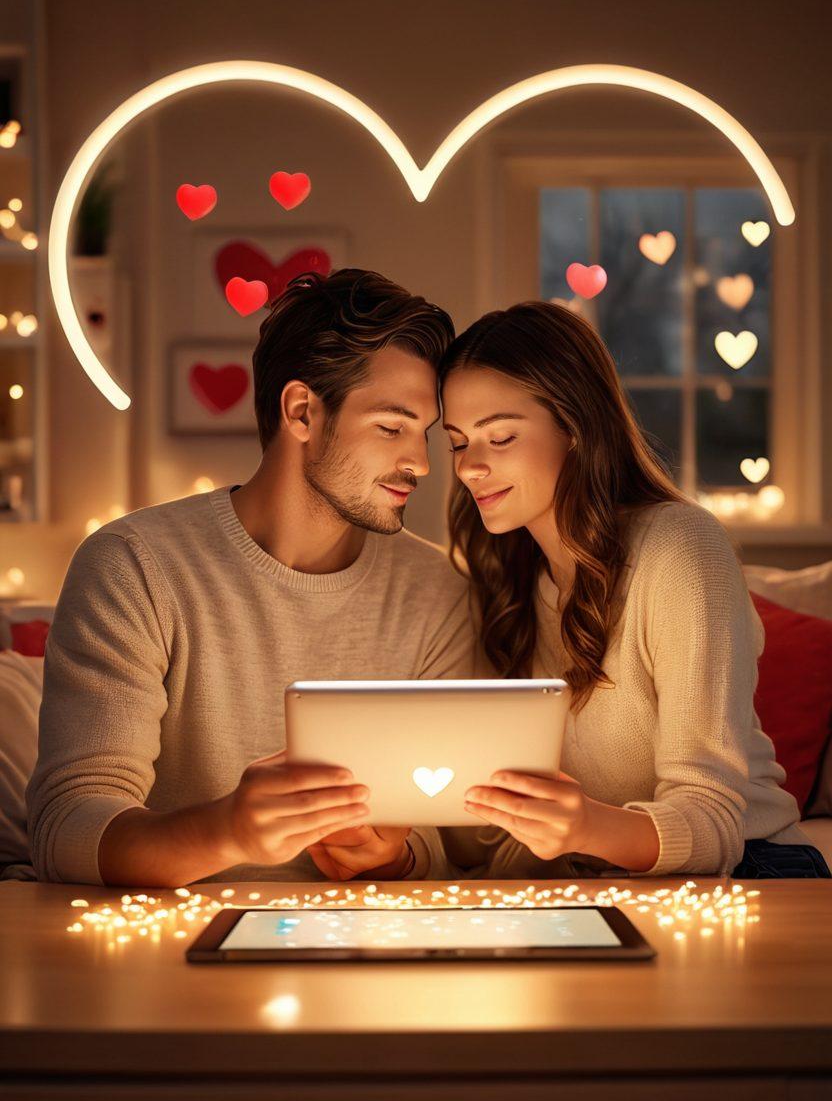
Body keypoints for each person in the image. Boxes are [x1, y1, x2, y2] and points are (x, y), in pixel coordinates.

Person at [27, 268, 482, 888]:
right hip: (163, 957)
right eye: (390, 427)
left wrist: (394, 858)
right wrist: (228, 832)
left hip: (366, 952)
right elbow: (67, 827)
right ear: (302, 412)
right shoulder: (132, 566)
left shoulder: (438, 591)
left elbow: (451, 843)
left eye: (424, 434)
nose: (422, 464)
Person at [440, 300, 830, 880]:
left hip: (750, 870)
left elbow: (712, 821)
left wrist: (583, 827)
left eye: (499, 437)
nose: (470, 466)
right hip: (601, 874)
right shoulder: (504, 574)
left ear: (575, 428)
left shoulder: (679, 548)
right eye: (456, 441)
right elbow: (513, 830)